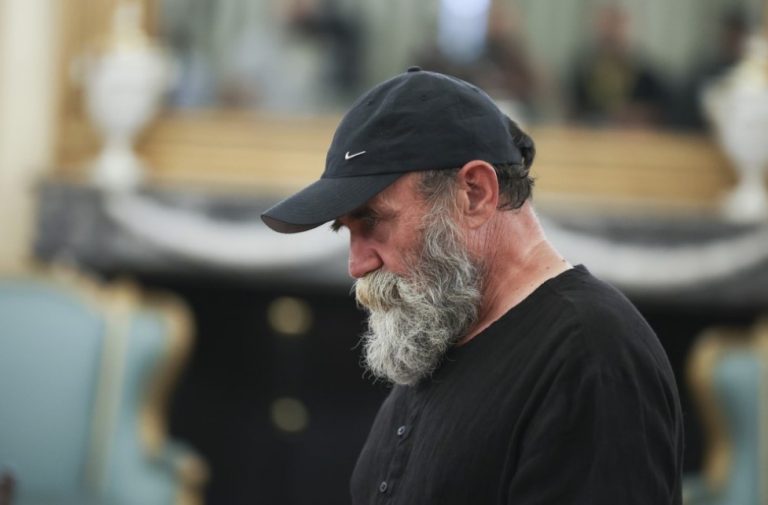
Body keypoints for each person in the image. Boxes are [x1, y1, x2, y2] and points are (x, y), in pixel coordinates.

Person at [261, 67, 684, 504]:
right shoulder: (441, 331)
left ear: (475, 193)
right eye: (346, 230)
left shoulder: (591, 354)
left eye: (372, 220)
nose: (357, 264)